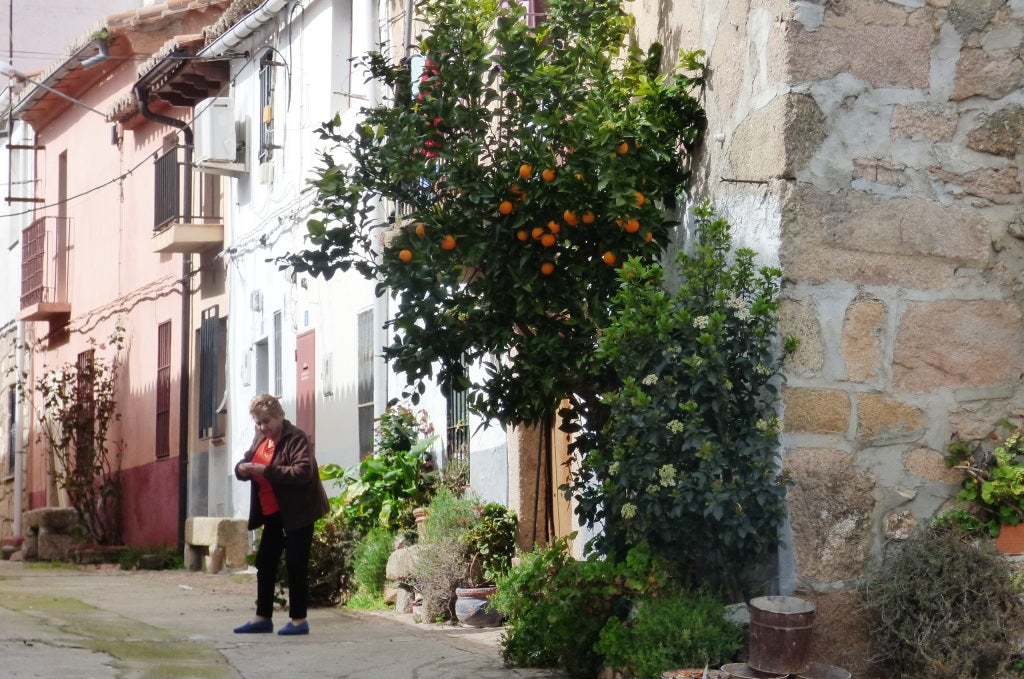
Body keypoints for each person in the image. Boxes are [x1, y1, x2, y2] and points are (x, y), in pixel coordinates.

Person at [233, 393, 330, 636]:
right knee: (265, 563)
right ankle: (262, 618)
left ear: (279, 416)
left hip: (298, 511)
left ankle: (299, 620)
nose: (262, 427)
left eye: (266, 421)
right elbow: (248, 459)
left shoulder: (295, 438)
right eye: (257, 422)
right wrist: (242, 469)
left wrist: (267, 471)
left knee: (296, 565)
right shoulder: (261, 439)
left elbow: (303, 472)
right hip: (273, 513)